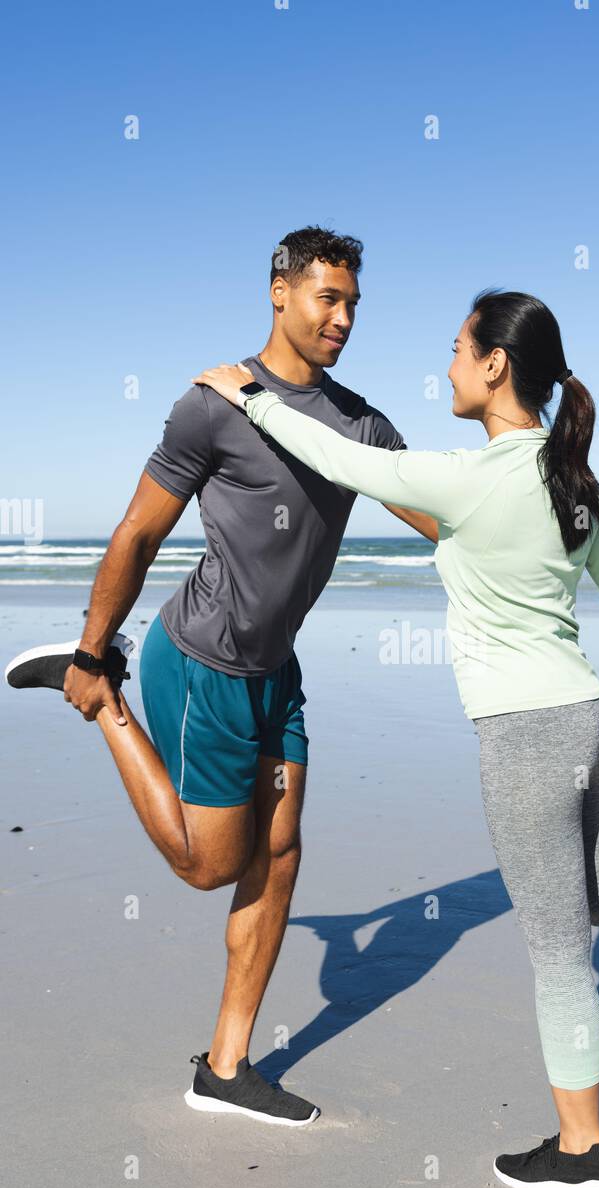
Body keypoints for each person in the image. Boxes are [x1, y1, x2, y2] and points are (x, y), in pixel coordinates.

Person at [193, 289, 599, 1188]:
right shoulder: (574, 478)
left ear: (495, 365)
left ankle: (583, 1153)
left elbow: (339, 456)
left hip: (520, 737)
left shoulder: (468, 479)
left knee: (560, 952)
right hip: (586, 715)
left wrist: (251, 397)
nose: (449, 366)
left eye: (459, 351)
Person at [5, 226, 439, 1127]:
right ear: (278, 292)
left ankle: (226, 1067)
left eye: (354, 302)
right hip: (202, 663)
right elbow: (137, 533)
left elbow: (438, 517)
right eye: (328, 298)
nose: (344, 318)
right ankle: (103, 703)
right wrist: (94, 649)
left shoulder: (362, 423)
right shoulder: (213, 406)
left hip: (274, 674)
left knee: (278, 857)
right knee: (212, 868)